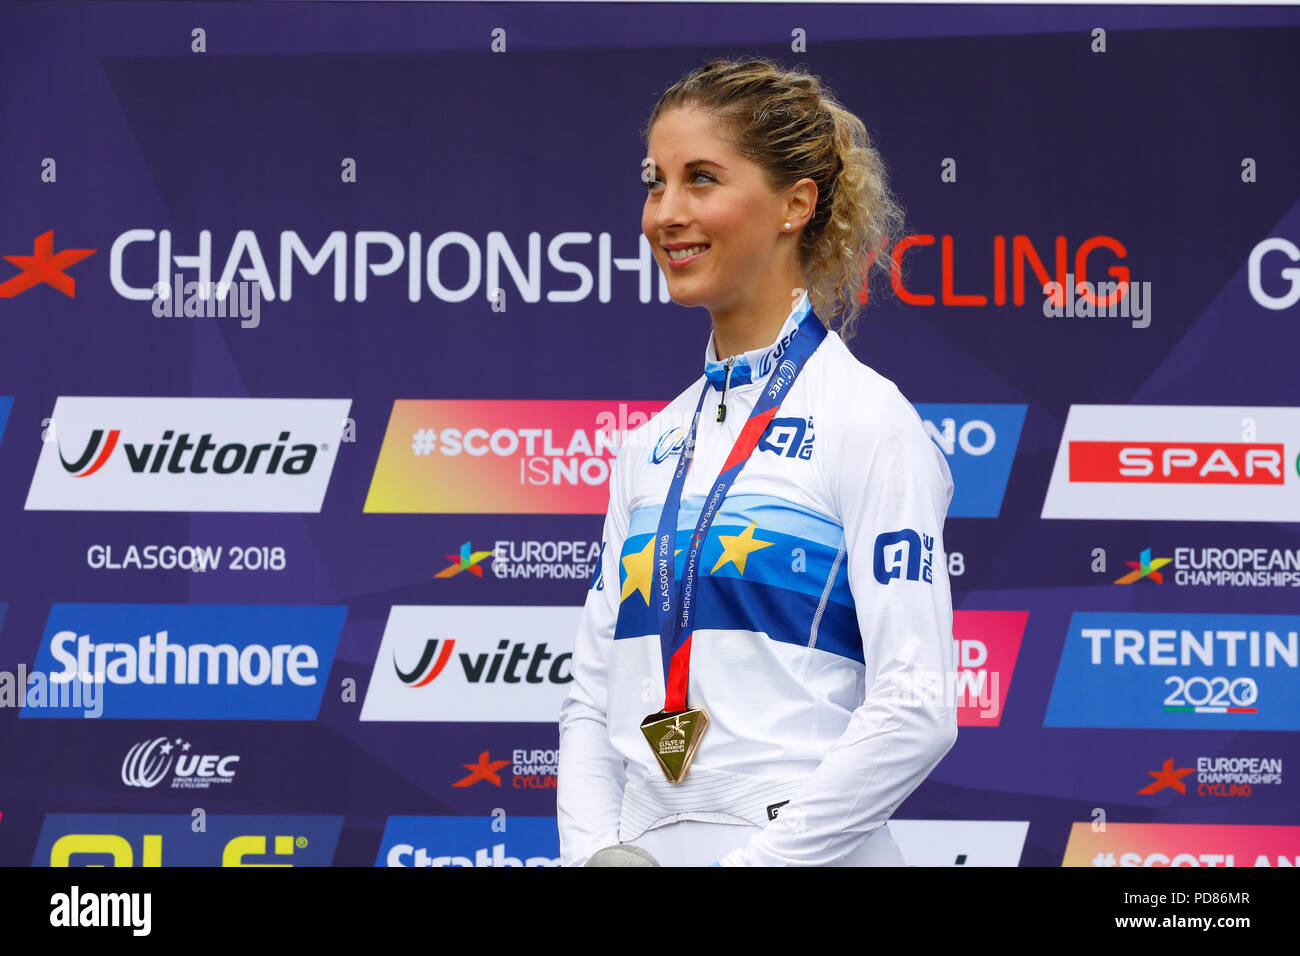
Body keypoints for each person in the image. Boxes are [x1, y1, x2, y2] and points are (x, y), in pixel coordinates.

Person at [557, 56, 957, 867]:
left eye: (701, 179)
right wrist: (596, 855)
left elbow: (916, 707)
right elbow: (591, 699)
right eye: (654, 180)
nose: (665, 212)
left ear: (795, 204)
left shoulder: (869, 420)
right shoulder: (649, 445)